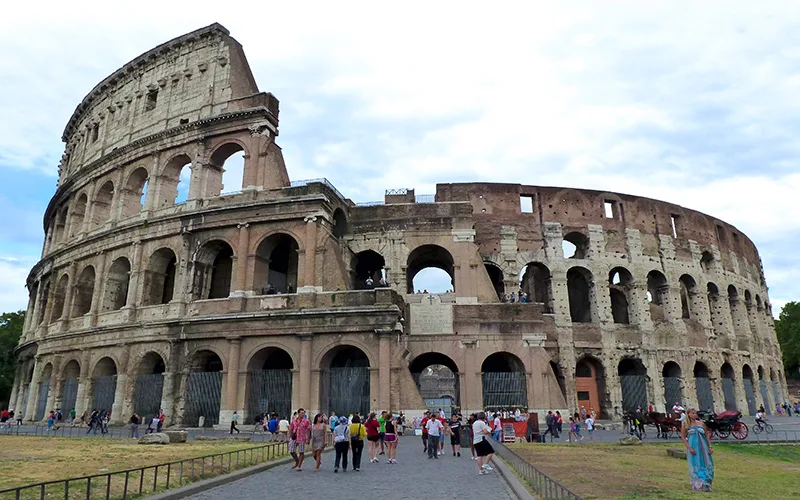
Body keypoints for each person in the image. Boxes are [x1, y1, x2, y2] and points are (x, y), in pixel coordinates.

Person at [680, 408, 714, 492]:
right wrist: (689, 448)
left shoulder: (701, 424)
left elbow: (707, 435)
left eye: (695, 413)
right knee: (696, 463)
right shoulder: (685, 424)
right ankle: (697, 484)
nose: (695, 415)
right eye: (693, 413)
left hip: (703, 446)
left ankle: (706, 483)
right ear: (688, 414)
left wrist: (710, 446)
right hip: (693, 446)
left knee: (706, 462)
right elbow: (683, 437)